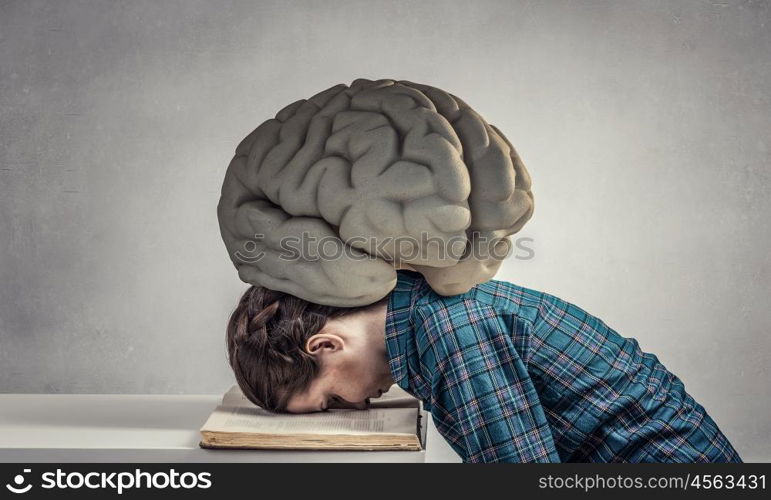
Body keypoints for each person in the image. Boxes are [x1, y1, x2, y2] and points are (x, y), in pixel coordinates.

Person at [225, 269, 742, 463]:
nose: (356, 406)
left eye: (333, 400)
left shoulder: (447, 333)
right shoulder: (425, 311)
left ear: (325, 345)